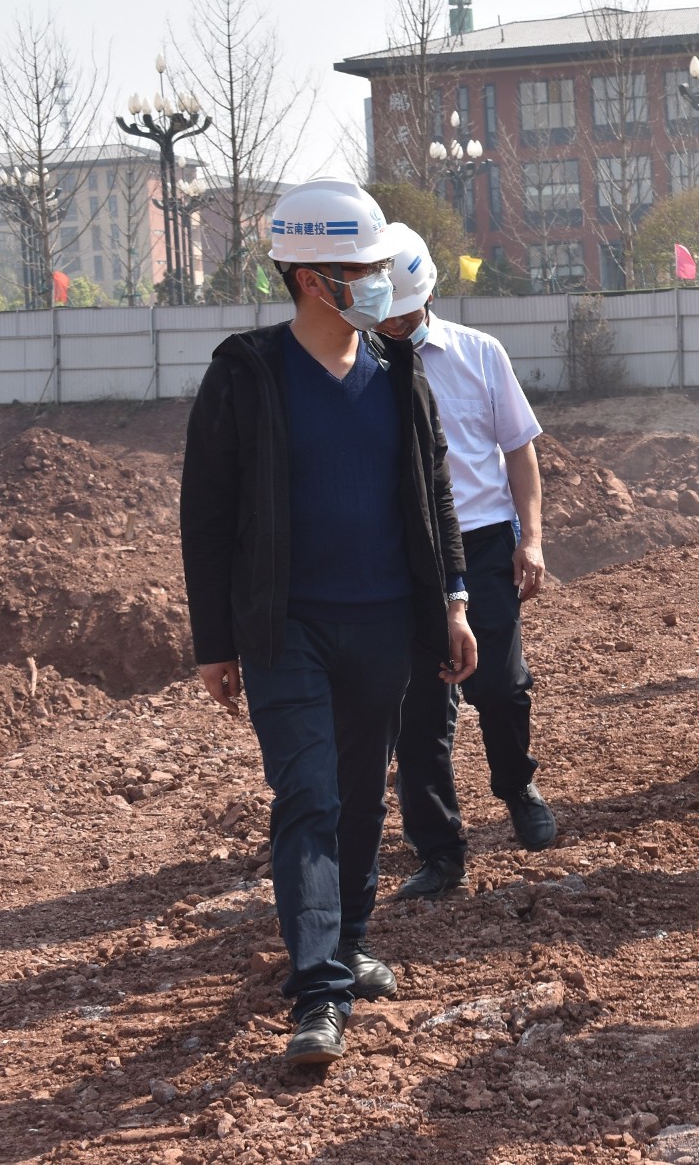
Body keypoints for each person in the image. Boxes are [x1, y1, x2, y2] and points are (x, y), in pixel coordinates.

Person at [180, 178, 476, 1066]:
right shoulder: (246, 376)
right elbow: (206, 515)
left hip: (383, 624)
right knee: (307, 795)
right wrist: (213, 642)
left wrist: (454, 599)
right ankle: (319, 990)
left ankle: (347, 938)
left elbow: (435, 490)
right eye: (365, 269)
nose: (381, 283)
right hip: (287, 630)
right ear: (312, 279)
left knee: (357, 794)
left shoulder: (398, 375)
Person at [372, 230, 556, 899]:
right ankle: (439, 848)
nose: (394, 325)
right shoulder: (362, 365)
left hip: (481, 542)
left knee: (500, 686)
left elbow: (519, 450)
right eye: (384, 314)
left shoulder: (480, 354)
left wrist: (530, 539)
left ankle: (517, 786)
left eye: (404, 313)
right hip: (403, 555)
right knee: (418, 706)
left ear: (427, 295)